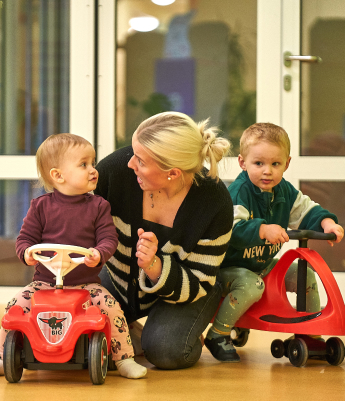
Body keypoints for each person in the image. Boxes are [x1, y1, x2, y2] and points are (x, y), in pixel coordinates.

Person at [0, 133, 147, 379]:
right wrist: (26, 253)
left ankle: (123, 358)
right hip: (44, 284)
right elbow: (25, 239)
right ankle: (5, 356)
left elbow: (109, 239)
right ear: (58, 175)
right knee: (15, 306)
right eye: (83, 164)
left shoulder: (99, 206)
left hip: (85, 285)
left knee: (111, 308)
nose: (93, 170)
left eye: (93, 163)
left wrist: (98, 254)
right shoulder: (40, 207)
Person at [94, 111, 233, 370]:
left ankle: (182, 327)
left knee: (167, 352)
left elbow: (198, 278)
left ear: (172, 173)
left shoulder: (214, 203)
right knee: (78, 340)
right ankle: (130, 330)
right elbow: (75, 213)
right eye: (133, 153)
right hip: (120, 278)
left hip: (191, 287)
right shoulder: (114, 171)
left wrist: (154, 267)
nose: (130, 164)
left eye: (140, 161)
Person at [205, 122, 344, 362]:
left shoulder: (285, 192)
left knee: (305, 275)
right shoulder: (239, 192)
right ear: (242, 162)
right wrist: (262, 229)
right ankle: (218, 333)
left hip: (262, 264)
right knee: (251, 285)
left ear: (287, 164)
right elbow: (233, 230)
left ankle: (309, 332)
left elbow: (306, 210)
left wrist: (326, 223)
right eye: (258, 163)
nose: (267, 171)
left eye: (275, 164)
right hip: (228, 267)